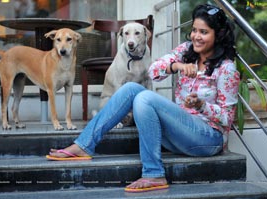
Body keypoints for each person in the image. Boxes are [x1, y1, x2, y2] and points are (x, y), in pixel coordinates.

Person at [46, 4, 240, 192]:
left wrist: (201, 105)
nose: (196, 36)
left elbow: (226, 118)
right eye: (194, 30)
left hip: (207, 139)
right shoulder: (186, 51)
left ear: (218, 34)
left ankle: (154, 173)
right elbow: (153, 71)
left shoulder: (226, 69)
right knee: (132, 88)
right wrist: (176, 66)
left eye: (204, 32)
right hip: (179, 131)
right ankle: (83, 145)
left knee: (144, 98)